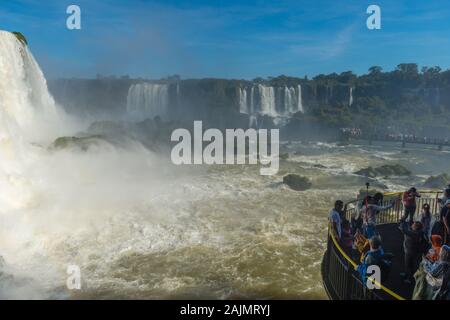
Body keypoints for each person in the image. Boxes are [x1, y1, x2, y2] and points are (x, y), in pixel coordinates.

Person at [399, 220, 429, 284]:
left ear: (415, 227)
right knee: (409, 264)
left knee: (409, 265)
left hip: (410, 252)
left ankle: (409, 279)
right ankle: (407, 274)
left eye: (413, 224)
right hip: (414, 251)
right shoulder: (420, 232)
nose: (412, 225)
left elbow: (403, 230)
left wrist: (402, 222)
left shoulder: (413, 234)